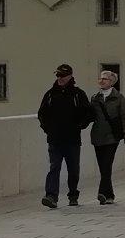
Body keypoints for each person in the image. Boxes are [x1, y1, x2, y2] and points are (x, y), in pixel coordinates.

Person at [38, 64, 93, 208]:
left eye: (62, 76)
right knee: (54, 167)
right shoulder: (50, 94)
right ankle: (51, 196)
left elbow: (88, 113)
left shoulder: (77, 94)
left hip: (72, 139)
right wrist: (48, 129)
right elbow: (42, 114)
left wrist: (80, 125)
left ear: (69, 76)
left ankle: (73, 195)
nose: (59, 78)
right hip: (54, 139)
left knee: (73, 168)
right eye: (57, 75)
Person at [88, 69, 125, 206]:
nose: (101, 81)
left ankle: (101, 192)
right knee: (103, 167)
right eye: (100, 78)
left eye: (105, 79)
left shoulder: (119, 98)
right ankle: (109, 195)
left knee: (107, 164)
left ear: (112, 82)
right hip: (97, 136)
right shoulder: (95, 98)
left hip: (112, 136)